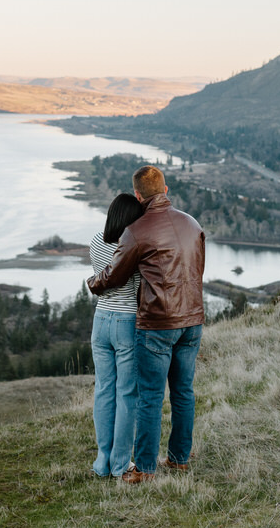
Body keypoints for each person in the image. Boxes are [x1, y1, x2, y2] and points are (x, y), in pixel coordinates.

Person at [86, 165, 206, 484]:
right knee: (183, 391)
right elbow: (197, 271)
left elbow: (115, 275)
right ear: (165, 190)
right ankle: (179, 458)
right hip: (192, 319)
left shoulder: (137, 231)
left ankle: (145, 468)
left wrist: (94, 284)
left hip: (159, 322)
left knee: (149, 396)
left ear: (138, 196)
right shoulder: (192, 224)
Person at [87, 193, 145, 477]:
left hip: (101, 321)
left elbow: (102, 277)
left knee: (103, 391)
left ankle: (102, 463)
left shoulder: (96, 241)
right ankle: (121, 464)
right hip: (126, 321)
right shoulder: (132, 246)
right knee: (126, 394)